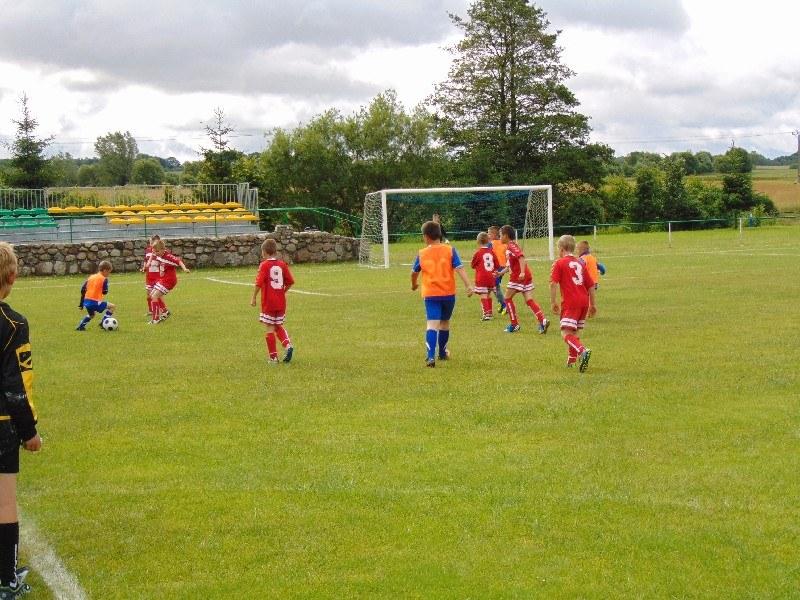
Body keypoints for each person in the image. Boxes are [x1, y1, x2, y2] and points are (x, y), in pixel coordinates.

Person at [0, 242, 41, 597]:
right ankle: (7, 580)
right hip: (2, 425)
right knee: (5, 502)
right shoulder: (14, 324)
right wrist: (29, 431)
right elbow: (17, 385)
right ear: (12, 277)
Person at [411, 221, 473, 367]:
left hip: (431, 294)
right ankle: (443, 353)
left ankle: (430, 356)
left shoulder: (422, 253)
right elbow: (459, 268)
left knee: (432, 324)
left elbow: (414, 272)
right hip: (448, 293)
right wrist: (468, 285)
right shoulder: (450, 250)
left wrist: (414, 284)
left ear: (426, 236)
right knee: (444, 323)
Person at [550, 234, 597, 371]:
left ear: (561, 249)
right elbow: (590, 285)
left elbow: (553, 283)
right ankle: (571, 361)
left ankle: (582, 351)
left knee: (565, 333)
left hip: (571, 302)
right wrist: (593, 305)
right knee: (574, 333)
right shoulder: (580, 263)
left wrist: (553, 302)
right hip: (584, 301)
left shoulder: (559, 263)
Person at [497, 225, 549, 334]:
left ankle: (514, 324)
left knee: (507, 298)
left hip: (518, 277)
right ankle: (543, 320)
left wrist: (522, 272)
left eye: (500, 235)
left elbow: (521, 257)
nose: (499, 237)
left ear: (506, 236)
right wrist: (500, 273)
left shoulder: (511, 246)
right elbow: (510, 265)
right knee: (529, 300)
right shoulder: (510, 247)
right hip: (525, 276)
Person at [251, 238, 295, 364]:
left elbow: (258, 283)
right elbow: (290, 282)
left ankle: (273, 358)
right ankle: (288, 345)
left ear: (264, 252)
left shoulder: (264, 265)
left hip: (269, 302)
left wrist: (253, 297)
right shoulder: (282, 265)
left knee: (270, 327)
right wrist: (283, 292)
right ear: (275, 251)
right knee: (277, 325)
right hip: (280, 302)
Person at [147, 239, 190, 324]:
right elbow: (154, 255)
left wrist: (185, 269)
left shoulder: (168, 256)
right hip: (163, 279)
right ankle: (165, 312)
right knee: (152, 295)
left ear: (163, 249)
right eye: (154, 251)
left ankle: (155, 319)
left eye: (157, 251)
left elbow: (179, 261)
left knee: (154, 296)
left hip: (169, 281)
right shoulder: (158, 254)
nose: (155, 253)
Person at [76, 260, 115, 331]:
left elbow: (83, 289)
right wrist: (105, 288)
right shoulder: (104, 279)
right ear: (105, 270)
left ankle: (81, 326)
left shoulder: (91, 277)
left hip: (86, 301)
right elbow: (105, 292)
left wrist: (81, 303)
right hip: (95, 302)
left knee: (92, 315)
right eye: (109, 272)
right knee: (112, 307)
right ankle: (103, 323)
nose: (109, 274)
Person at [470, 232, 498, 321]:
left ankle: (487, 314)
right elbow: (497, 264)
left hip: (482, 278)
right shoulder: (492, 252)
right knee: (488, 294)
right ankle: (490, 312)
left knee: (483, 295)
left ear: (478, 241)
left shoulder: (478, 253)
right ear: (488, 241)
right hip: (491, 277)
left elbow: (472, 265)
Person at [487, 225, 507, 314]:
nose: (488, 235)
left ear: (495, 235)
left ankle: (504, 305)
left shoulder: (491, 244)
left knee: (495, 287)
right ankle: (501, 304)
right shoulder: (504, 243)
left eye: (489, 234)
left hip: (496, 267)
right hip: (504, 267)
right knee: (494, 286)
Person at [141, 234, 161, 317]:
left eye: (152, 242)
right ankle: (151, 310)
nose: (151, 243)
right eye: (150, 242)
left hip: (158, 276)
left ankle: (162, 310)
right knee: (148, 294)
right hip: (149, 276)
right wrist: (144, 268)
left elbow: (162, 262)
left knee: (156, 295)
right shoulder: (148, 250)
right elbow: (145, 260)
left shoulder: (160, 251)